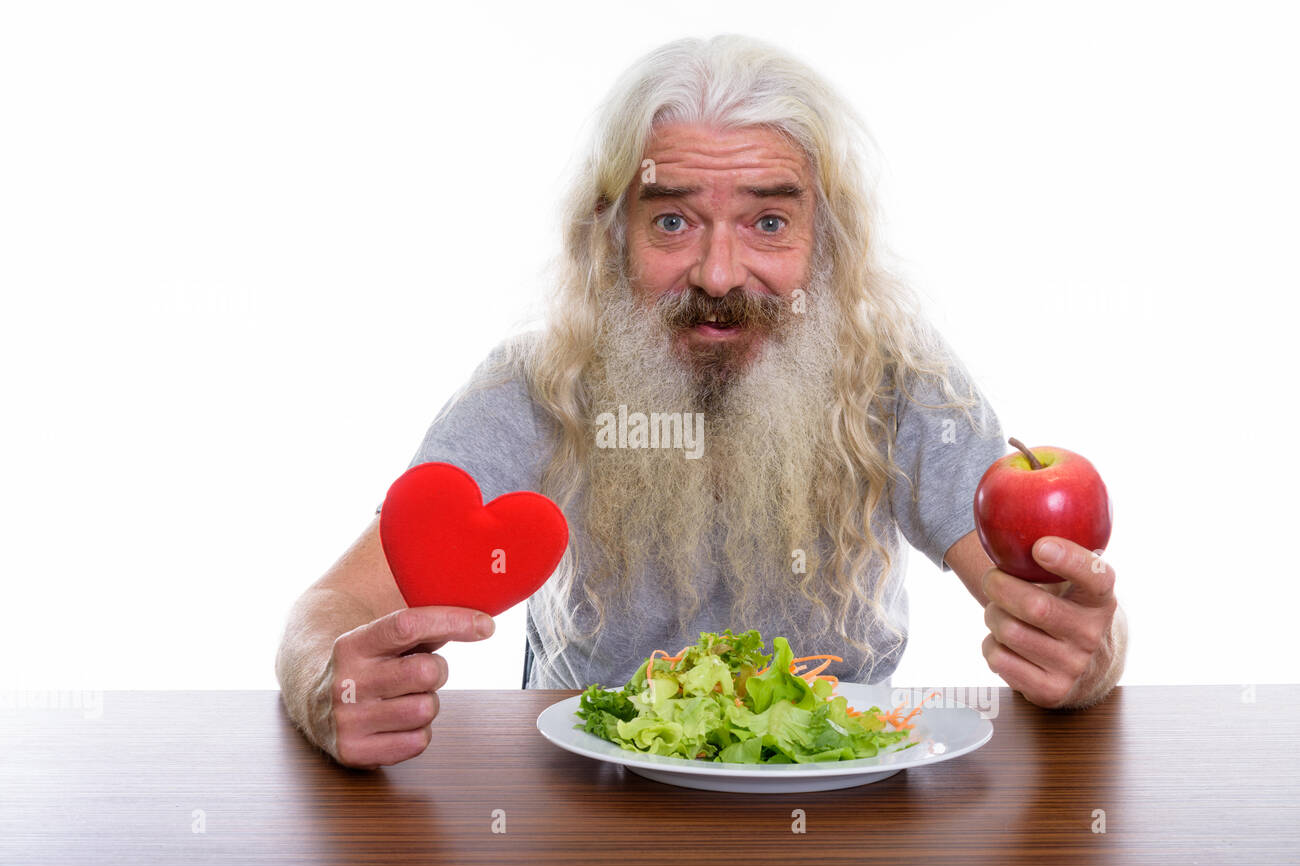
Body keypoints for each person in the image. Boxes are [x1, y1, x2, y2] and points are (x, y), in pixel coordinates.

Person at [275, 35, 1127, 770]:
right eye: (673, 222)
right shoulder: (539, 382)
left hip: (837, 799)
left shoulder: (900, 378)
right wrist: (328, 684)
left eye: (767, 223)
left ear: (827, 239)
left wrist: (1087, 654)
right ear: (611, 236)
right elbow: (334, 609)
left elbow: (1045, 608)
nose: (719, 276)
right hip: (581, 803)